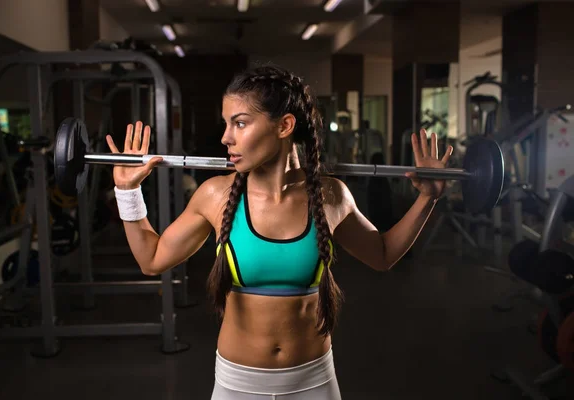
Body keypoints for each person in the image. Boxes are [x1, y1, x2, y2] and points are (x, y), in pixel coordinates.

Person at [105, 65, 453, 400]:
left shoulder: (330, 195)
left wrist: (427, 198)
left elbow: (383, 254)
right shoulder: (216, 195)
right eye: (226, 124)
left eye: (240, 123)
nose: (226, 137)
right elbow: (152, 260)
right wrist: (127, 192)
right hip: (238, 384)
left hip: (314, 380)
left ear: (284, 125)